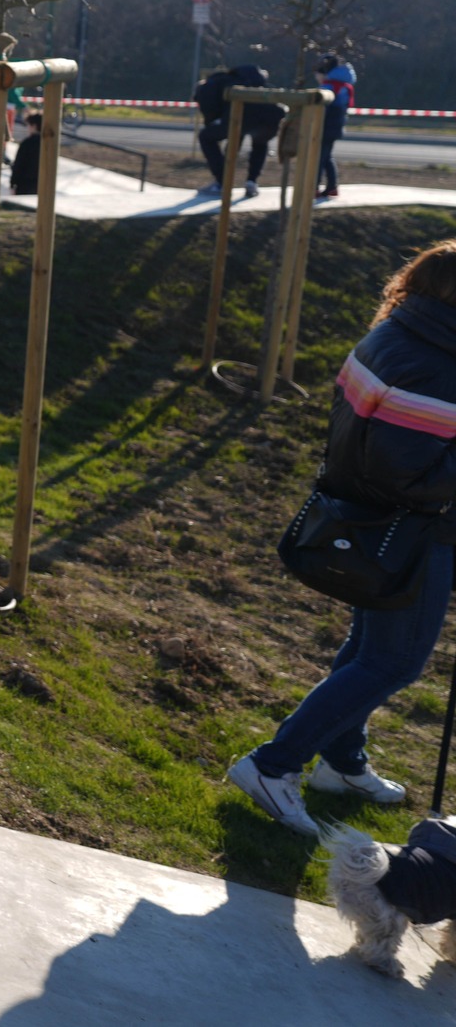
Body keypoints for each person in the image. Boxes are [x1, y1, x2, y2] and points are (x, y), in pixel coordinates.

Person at [228, 240, 456, 835]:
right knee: (394, 661)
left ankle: (341, 761)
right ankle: (273, 766)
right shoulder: (438, 365)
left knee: (366, 649)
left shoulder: (395, 334)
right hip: (411, 533)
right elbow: (407, 469)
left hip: (370, 523)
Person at [195, 62, 283, 199]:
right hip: (268, 118)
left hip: (239, 116)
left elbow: (210, 110)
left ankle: (221, 182)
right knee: (259, 143)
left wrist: (211, 123)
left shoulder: (212, 85)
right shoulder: (256, 82)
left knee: (206, 137)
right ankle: (251, 182)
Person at [318, 52, 357, 201]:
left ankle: (314, 186)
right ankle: (332, 186)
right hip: (337, 127)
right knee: (327, 156)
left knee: (319, 158)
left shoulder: (329, 86)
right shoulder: (345, 86)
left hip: (325, 127)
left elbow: (324, 109)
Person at [9, 112, 42, 196]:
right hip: (41, 184)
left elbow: (19, 164)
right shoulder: (47, 144)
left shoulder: (27, 143)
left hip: (25, 184)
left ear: (34, 126)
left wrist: (13, 183)